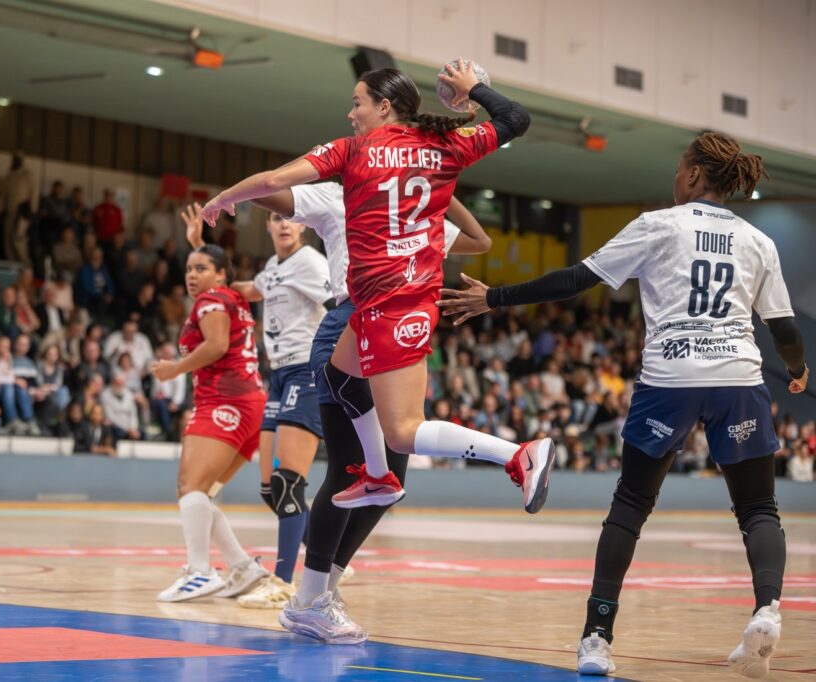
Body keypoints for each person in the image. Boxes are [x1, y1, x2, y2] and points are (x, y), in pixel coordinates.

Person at [438, 131, 809, 678]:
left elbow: (572, 281)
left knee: (631, 507)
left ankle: (596, 637)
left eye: (680, 167)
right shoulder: (757, 241)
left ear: (691, 176)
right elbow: (785, 330)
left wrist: (493, 297)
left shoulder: (658, 224)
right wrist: (798, 372)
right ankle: (767, 610)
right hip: (737, 377)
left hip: (670, 377)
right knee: (758, 510)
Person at [202, 62, 552, 509]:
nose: (351, 113)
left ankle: (519, 454)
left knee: (404, 432)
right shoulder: (447, 145)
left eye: (357, 103)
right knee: (339, 375)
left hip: (396, 303)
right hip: (378, 301)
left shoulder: (352, 150)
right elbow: (515, 120)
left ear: (384, 107)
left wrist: (222, 198)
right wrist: (475, 89)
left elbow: (272, 181)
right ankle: (376, 474)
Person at [217, 172, 491, 635]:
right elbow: (274, 197)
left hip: (384, 336)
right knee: (338, 473)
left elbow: (479, 241)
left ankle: (319, 587)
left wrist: (440, 183)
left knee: (389, 478)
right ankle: (303, 589)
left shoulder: (412, 213)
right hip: (346, 331)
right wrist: (227, 200)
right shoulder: (338, 196)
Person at [185, 204, 331, 609]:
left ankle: (284, 583)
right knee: (269, 487)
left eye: (291, 218)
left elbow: (340, 302)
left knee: (288, 482)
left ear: (302, 225)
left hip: (308, 372)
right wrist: (201, 248)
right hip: (281, 375)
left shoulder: (311, 263)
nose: (284, 224)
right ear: (267, 225)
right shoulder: (275, 265)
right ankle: (329, 556)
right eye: (277, 218)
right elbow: (246, 291)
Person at [150, 244, 269, 603]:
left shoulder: (211, 299)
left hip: (225, 402)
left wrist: (174, 369)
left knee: (190, 487)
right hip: (251, 406)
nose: (191, 275)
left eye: (201, 268)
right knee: (203, 494)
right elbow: (247, 283)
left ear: (220, 274)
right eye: (188, 269)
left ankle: (200, 571)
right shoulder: (232, 295)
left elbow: (216, 345)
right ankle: (242, 566)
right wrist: (199, 239)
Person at [0, 153, 35, 265]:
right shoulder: (8, 176)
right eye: (15, 159)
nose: (16, 161)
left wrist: (32, 211)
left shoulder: (27, 175)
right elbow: (2, 195)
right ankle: (12, 265)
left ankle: (25, 266)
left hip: (22, 213)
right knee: (8, 241)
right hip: (9, 213)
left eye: (18, 159)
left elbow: (33, 193)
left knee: (18, 240)